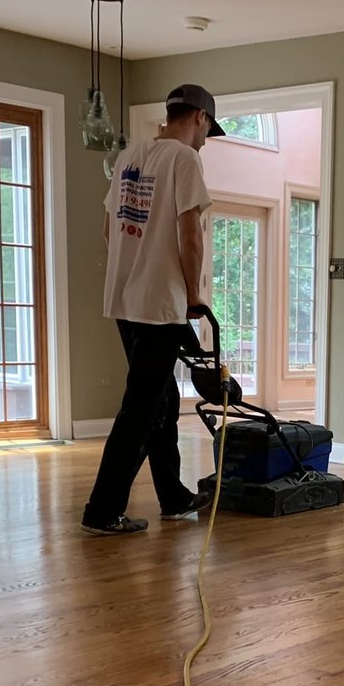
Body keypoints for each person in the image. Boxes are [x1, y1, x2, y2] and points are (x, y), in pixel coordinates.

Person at [81, 84, 226, 535]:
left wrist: (134, 267)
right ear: (199, 117)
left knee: (162, 400)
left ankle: (173, 496)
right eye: (207, 130)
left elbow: (110, 228)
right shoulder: (184, 159)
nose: (205, 140)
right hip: (161, 303)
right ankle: (102, 511)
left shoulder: (128, 157)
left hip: (125, 300)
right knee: (141, 410)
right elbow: (191, 234)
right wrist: (194, 293)